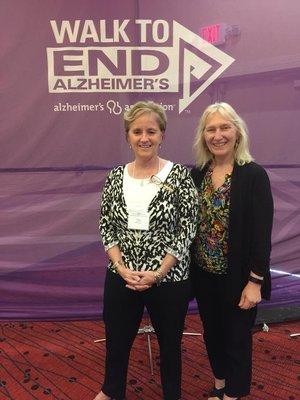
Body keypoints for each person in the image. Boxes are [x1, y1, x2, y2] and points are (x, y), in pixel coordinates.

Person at [95, 101, 198, 400]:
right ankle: (111, 390)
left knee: (170, 345)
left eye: (151, 131)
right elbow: (106, 226)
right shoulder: (115, 177)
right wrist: (120, 267)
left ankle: (171, 394)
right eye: (137, 131)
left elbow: (186, 229)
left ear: (162, 134)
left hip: (169, 278)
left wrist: (159, 272)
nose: (144, 138)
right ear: (127, 135)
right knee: (116, 340)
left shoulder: (180, 176)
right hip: (122, 276)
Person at [190, 102, 274, 400]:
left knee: (237, 340)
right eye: (211, 129)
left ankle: (235, 394)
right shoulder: (196, 175)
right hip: (203, 275)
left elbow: (262, 236)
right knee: (212, 335)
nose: (218, 135)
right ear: (203, 136)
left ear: (237, 132)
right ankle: (221, 385)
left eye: (224, 127)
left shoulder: (254, 176)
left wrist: (255, 282)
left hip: (240, 279)